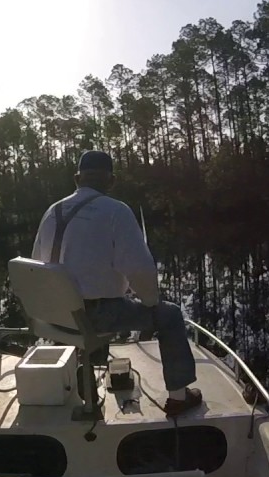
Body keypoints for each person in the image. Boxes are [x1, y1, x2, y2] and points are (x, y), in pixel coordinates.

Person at [31, 150, 202, 417]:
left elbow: (36, 265)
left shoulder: (52, 212)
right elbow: (140, 269)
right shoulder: (116, 211)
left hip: (54, 317)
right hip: (96, 315)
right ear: (111, 181)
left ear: (77, 179)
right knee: (169, 315)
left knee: (83, 319)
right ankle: (179, 398)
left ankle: (85, 391)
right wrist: (150, 302)